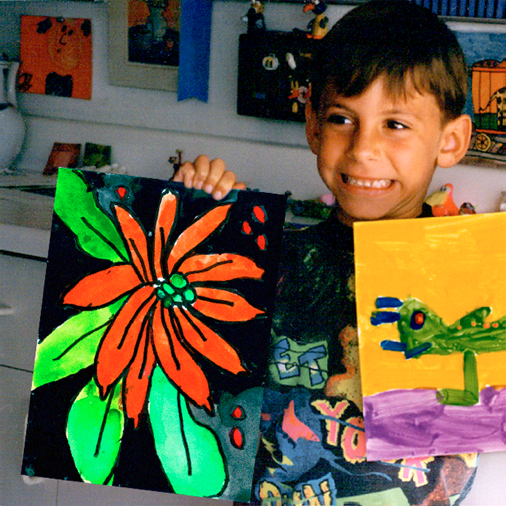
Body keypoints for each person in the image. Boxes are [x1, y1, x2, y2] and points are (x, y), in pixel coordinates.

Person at [173, 1, 477, 504]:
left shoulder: (470, 271)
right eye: (342, 118)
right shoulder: (271, 258)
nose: (362, 148)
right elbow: (195, 382)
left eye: (395, 124)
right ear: (314, 125)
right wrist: (190, 227)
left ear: (451, 140)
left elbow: (449, 455)